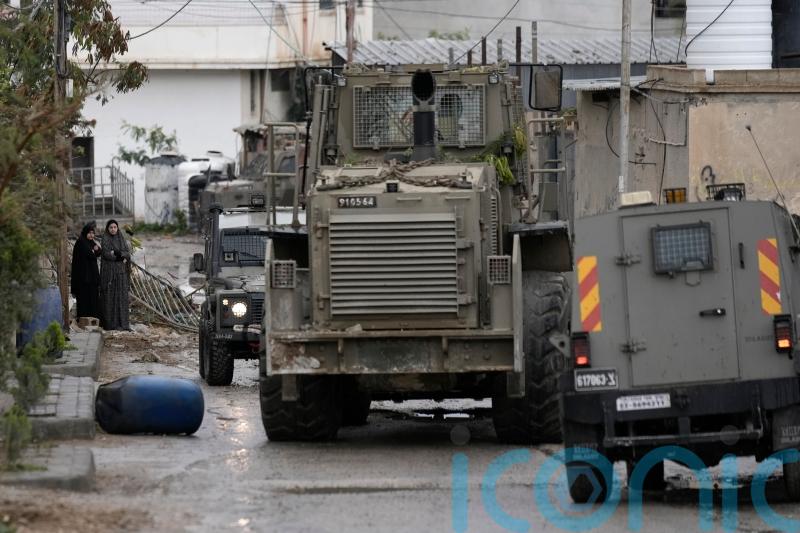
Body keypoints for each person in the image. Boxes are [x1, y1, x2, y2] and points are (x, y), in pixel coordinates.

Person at [100, 219, 131, 331]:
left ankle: (122, 323)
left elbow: (127, 254)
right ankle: (110, 324)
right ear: (108, 229)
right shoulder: (105, 238)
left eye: (115, 227)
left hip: (121, 274)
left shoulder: (121, 238)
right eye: (111, 227)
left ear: (117, 228)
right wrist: (120, 257)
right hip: (109, 275)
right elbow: (106, 254)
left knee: (121, 297)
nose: (113, 229)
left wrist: (118, 253)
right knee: (110, 298)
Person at [70, 221, 101, 320]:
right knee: (84, 299)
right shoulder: (81, 242)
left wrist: (95, 250)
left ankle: (93, 320)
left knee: (93, 299)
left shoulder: (90, 242)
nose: (92, 235)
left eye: (93, 233)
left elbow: (99, 251)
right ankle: (84, 321)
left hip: (91, 277)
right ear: (85, 233)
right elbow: (91, 254)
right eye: (89, 233)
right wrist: (93, 251)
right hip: (83, 278)